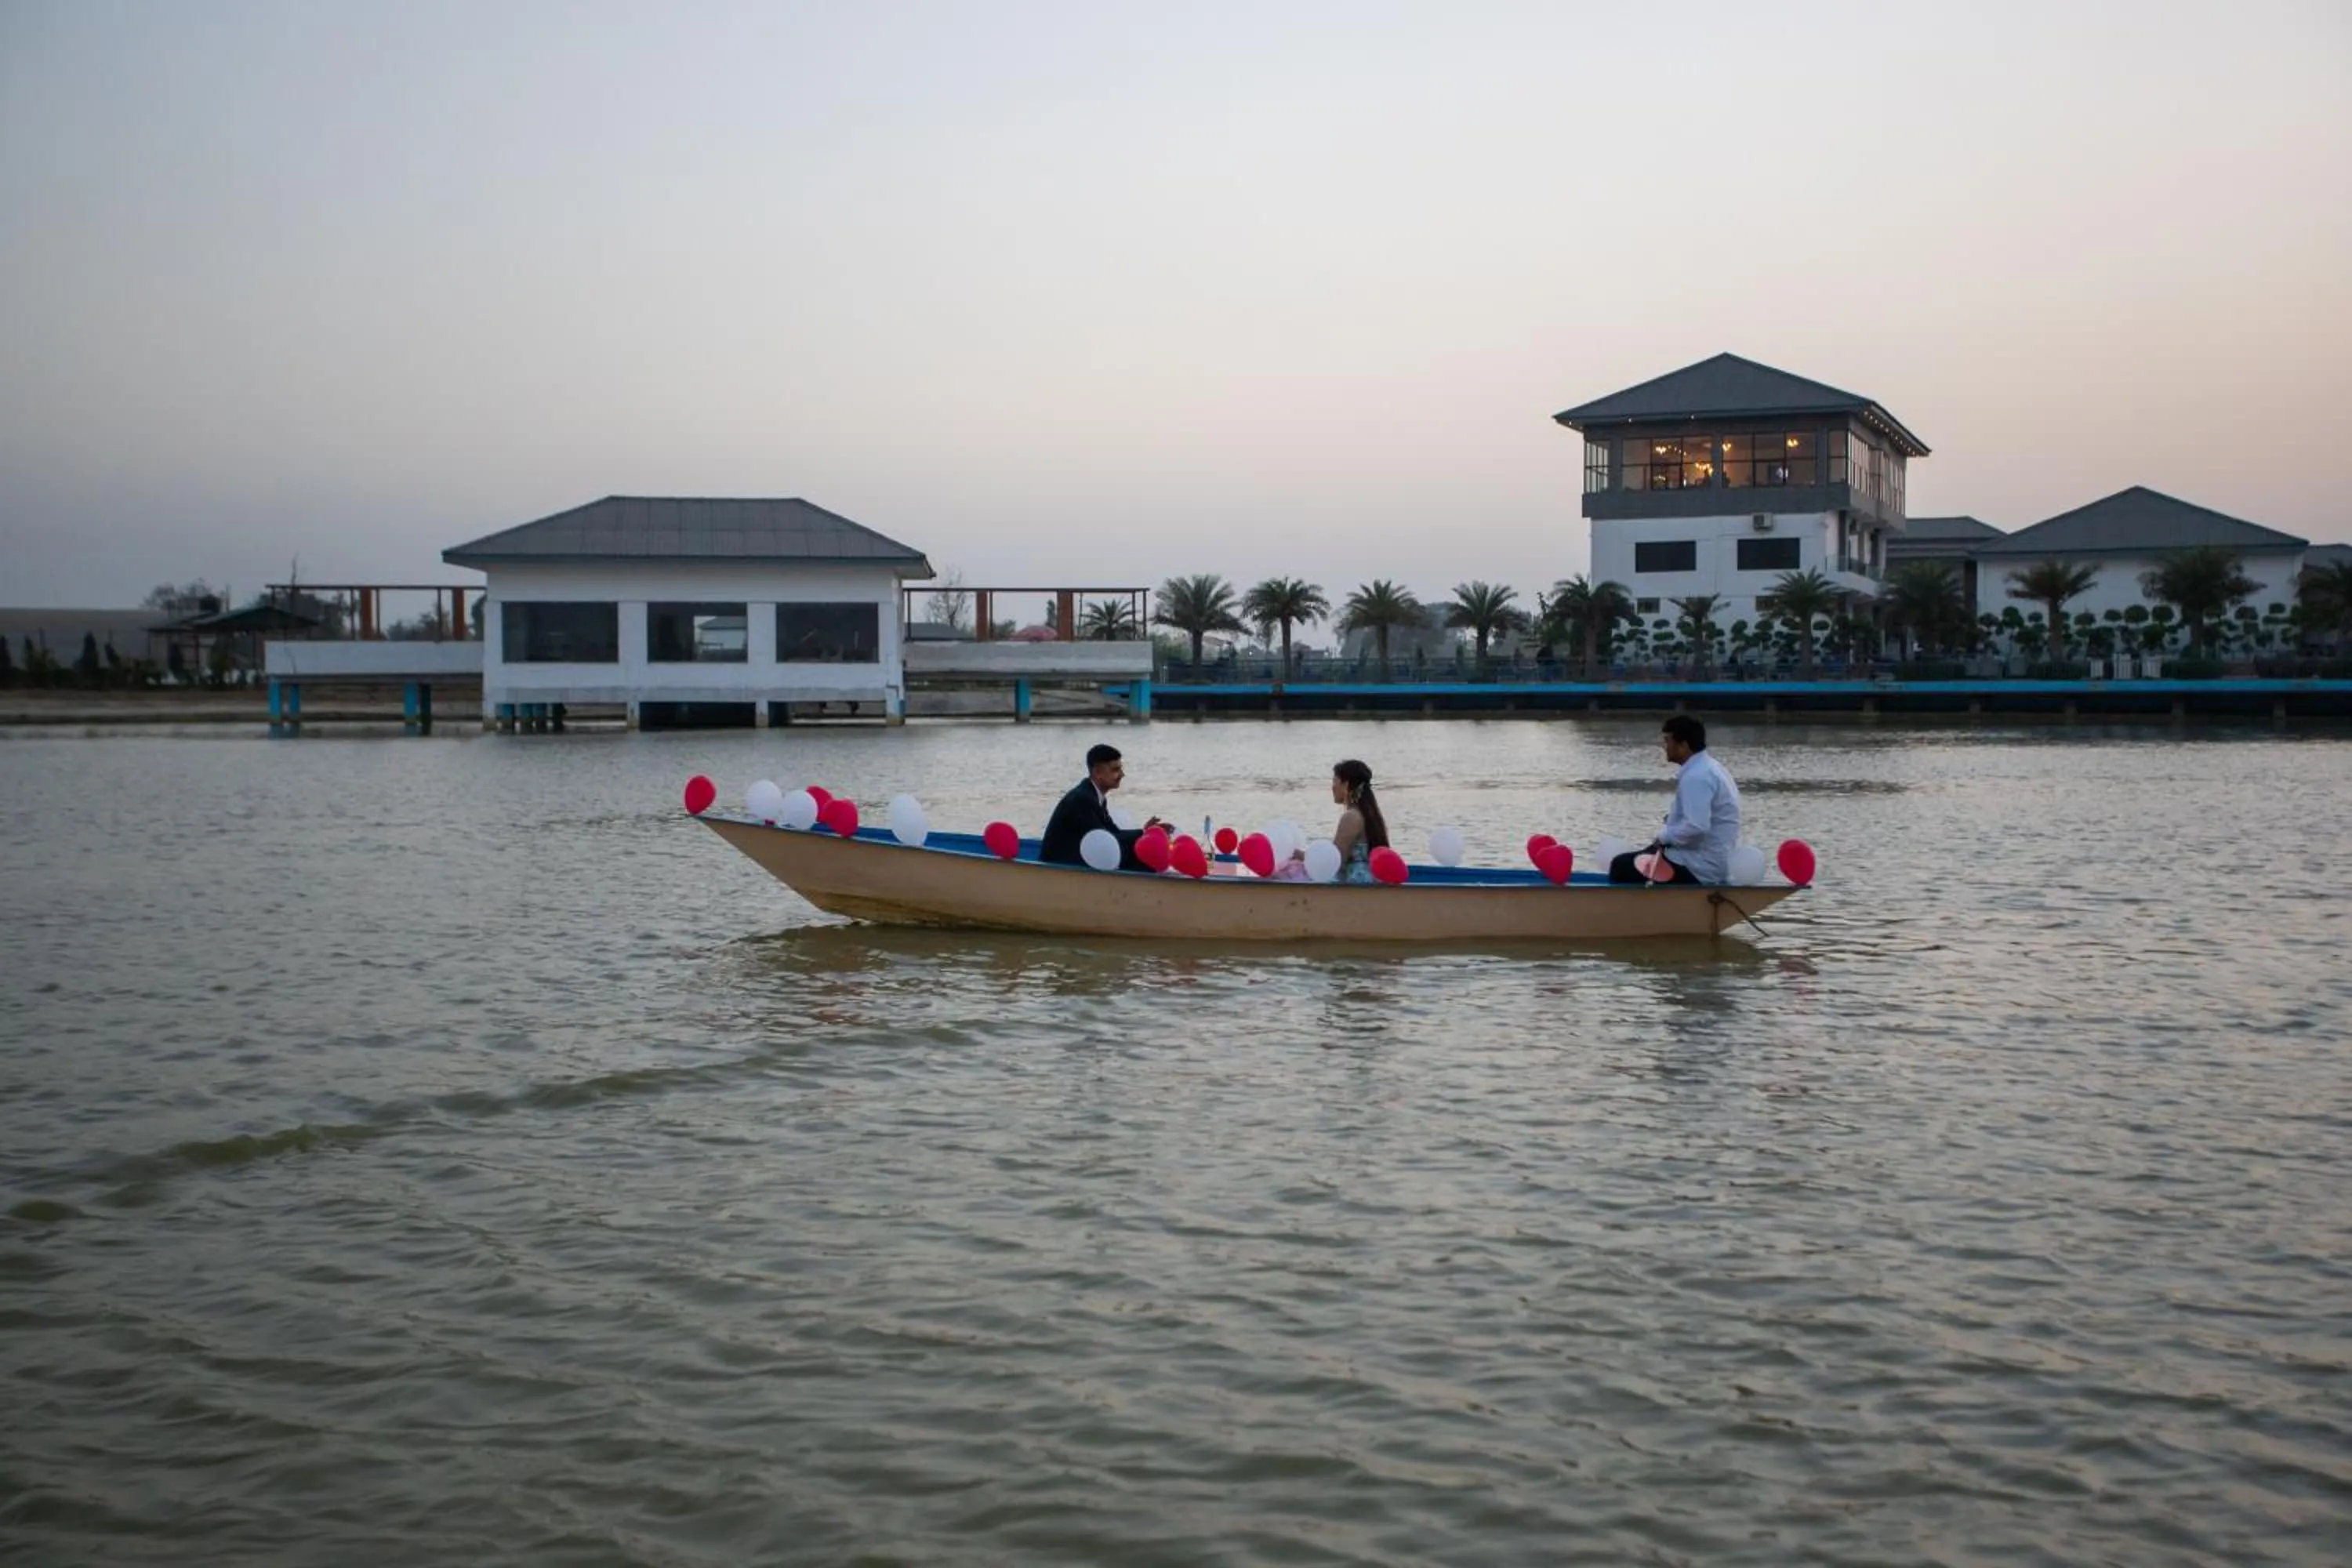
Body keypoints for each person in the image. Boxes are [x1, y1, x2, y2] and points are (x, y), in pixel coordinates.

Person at [1610, 715, 1740, 884]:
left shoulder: (1697, 776)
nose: (1664, 747)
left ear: (1683, 746)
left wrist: (1664, 836)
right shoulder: (1712, 768)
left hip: (1697, 867)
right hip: (1707, 859)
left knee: (1620, 866)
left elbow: (1697, 828)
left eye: (1667, 741)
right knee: (1641, 856)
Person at [1038, 743, 1165, 869]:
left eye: (1120, 769)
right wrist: (1143, 834)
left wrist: (1145, 832)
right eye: (1115, 770)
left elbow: (1114, 833)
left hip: (1079, 857)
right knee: (1138, 858)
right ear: (1098, 772)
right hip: (1059, 865)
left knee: (1139, 852)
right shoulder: (1081, 800)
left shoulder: (1095, 796)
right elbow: (1107, 839)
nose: (1122, 775)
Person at [1280, 758, 1390, 882]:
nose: (1332, 787)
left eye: (1335, 781)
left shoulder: (1352, 818)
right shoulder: (1370, 814)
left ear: (1346, 785)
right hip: (1369, 879)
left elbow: (1335, 862)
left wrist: (1299, 855)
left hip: (1356, 883)